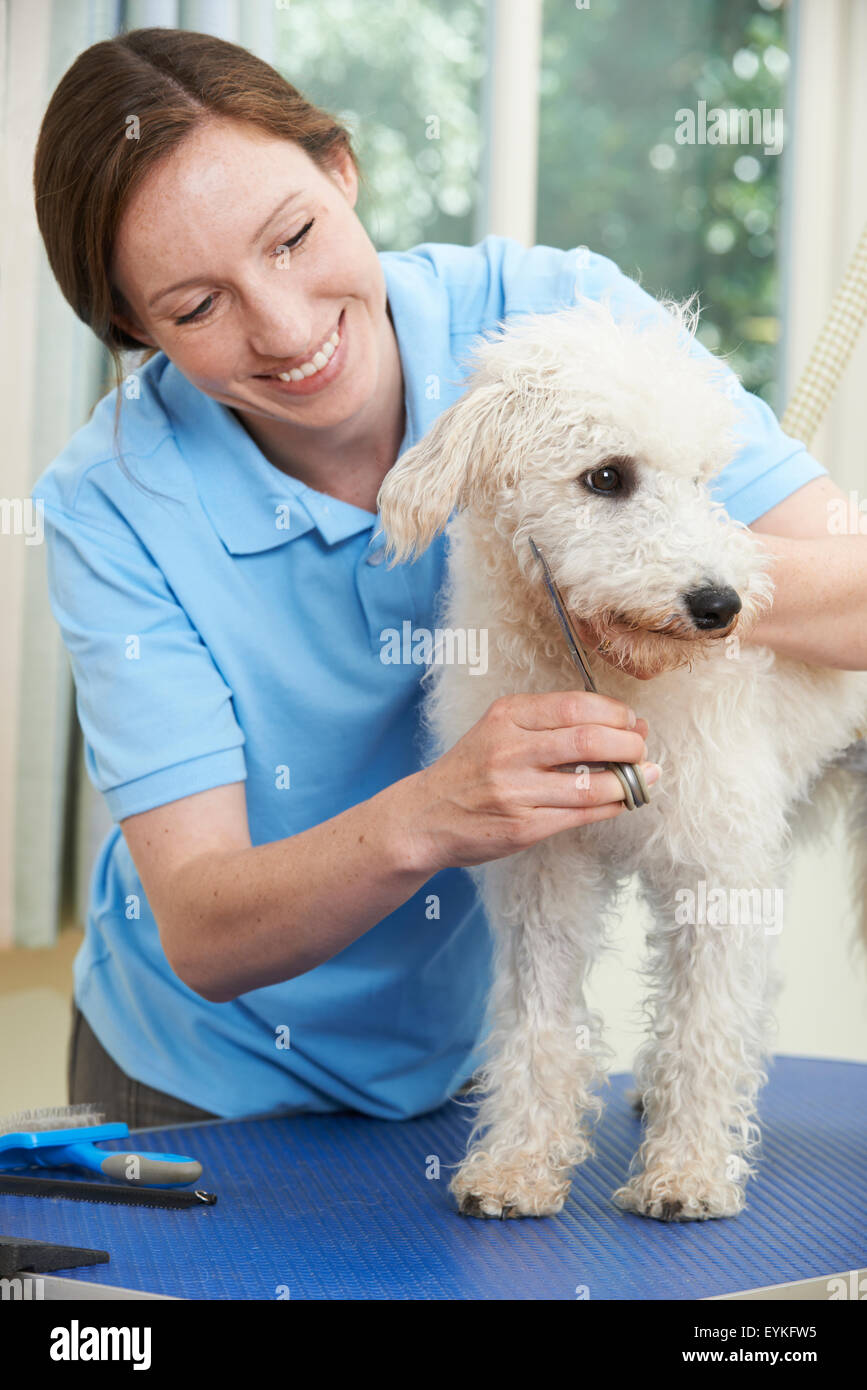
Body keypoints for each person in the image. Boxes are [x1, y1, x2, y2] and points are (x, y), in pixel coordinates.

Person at [31, 28, 858, 1129]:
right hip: (198, 1083)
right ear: (134, 327)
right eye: (195, 308)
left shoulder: (551, 322)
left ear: (341, 168)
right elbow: (205, 928)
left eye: (293, 236)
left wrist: (660, 569)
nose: (285, 331)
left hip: (467, 1068)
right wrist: (434, 814)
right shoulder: (112, 501)